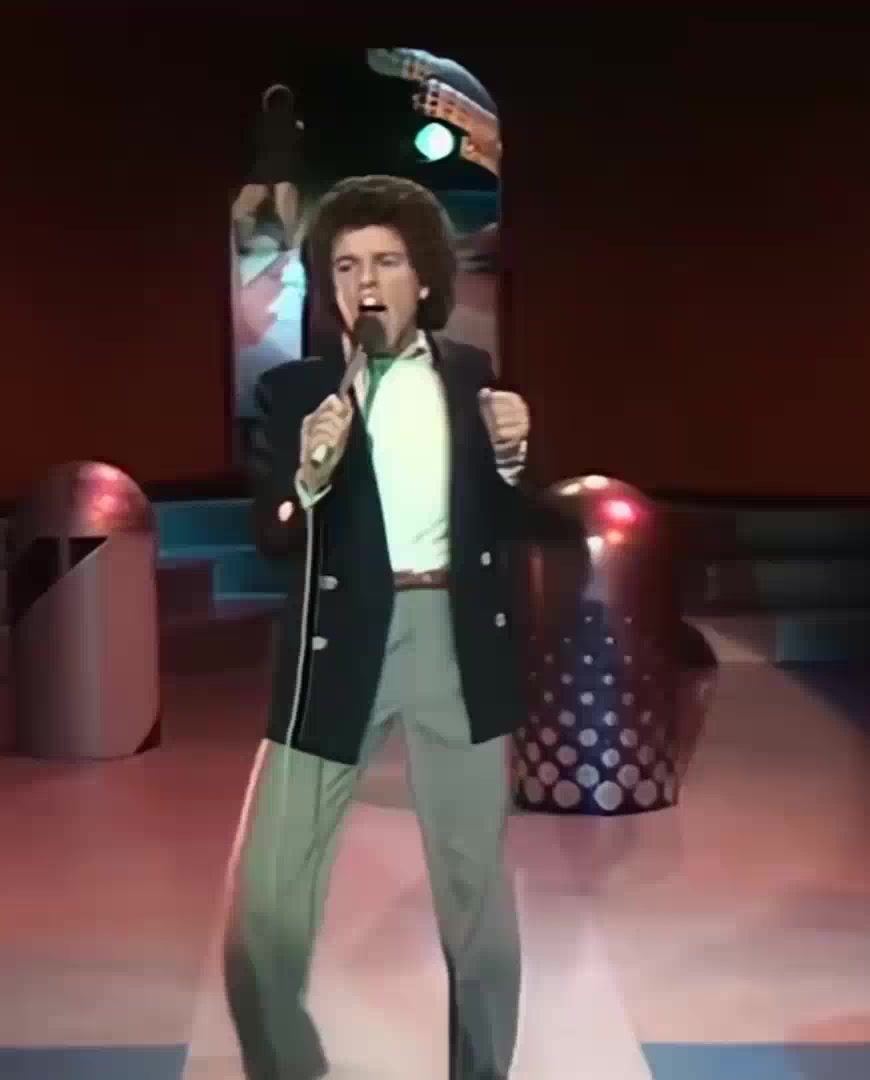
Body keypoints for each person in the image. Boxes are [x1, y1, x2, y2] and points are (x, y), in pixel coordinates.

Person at [227, 174, 533, 1080]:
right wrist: (306, 478)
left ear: (424, 278)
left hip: (453, 638)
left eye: (388, 261)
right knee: (267, 908)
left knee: (479, 906)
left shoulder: (472, 378)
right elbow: (273, 535)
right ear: (328, 287)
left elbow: (503, 522)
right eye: (347, 264)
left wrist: (514, 457)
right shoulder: (294, 392)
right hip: (338, 641)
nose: (367, 281)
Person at [233, 84, 304, 253]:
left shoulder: (259, 121)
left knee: (241, 210)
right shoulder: (295, 122)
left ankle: (241, 244)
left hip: (263, 168)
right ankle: (288, 243)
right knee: (285, 209)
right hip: (283, 168)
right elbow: (297, 145)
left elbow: (254, 143)